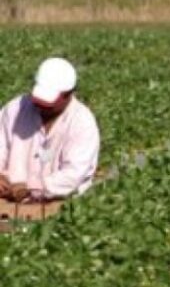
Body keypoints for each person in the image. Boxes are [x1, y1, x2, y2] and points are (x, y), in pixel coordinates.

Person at [0, 57, 100, 204]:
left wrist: (31, 187)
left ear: (68, 94)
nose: (41, 105)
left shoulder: (82, 123)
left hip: (63, 204)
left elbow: (73, 175)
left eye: (48, 103)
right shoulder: (14, 110)